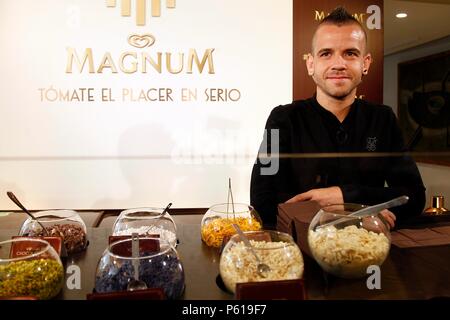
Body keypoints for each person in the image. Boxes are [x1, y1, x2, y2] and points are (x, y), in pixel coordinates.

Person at [250, 6, 426, 229]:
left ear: (366, 63)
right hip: (299, 253)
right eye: (326, 53)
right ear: (310, 64)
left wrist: (343, 196)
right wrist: (361, 211)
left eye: (350, 53)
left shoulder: (383, 119)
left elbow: (413, 196)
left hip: (369, 253)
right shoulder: (281, 119)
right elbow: (262, 200)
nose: (338, 64)